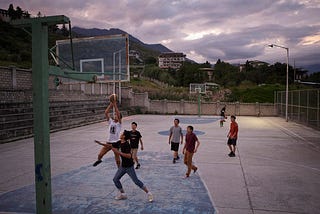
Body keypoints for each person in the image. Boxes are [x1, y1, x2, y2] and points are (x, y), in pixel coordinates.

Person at [111, 130, 153, 202]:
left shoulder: (127, 144)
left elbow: (129, 156)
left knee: (136, 181)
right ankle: (123, 194)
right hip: (123, 166)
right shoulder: (119, 142)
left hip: (129, 167)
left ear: (124, 136)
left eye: (122, 133)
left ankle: (149, 193)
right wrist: (101, 144)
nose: (120, 134)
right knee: (115, 179)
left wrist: (118, 152)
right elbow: (110, 145)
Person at [93, 101, 122, 167]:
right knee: (100, 155)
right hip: (108, 142)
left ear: (119, 118)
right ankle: (99, 160)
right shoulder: (111, 121)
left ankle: (119, 169)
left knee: (117, 159)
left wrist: (115, 105)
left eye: (117, 116)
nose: (115, 116)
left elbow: (118, 113)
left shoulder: (119, 124)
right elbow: (106, 112)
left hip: (116, 143)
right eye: (115, 115)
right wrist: (111, 104)